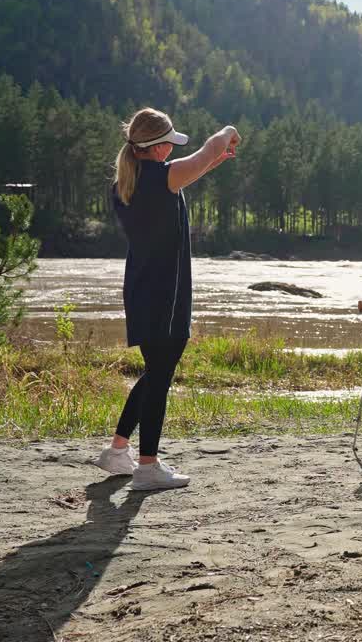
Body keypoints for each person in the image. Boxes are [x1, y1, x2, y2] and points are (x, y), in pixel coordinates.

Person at [94, 108, 240, 490]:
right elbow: (207, 150)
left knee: (154, 371)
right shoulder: (161, 178)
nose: (171, 151)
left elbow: (191, 169)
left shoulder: (129, 182)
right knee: (160, 376)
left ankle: (117, 451)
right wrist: (227, 129)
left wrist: (210, 163)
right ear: (157, 148)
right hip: (166, 292)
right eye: (169, 145)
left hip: (143, 287)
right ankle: (147, 466)